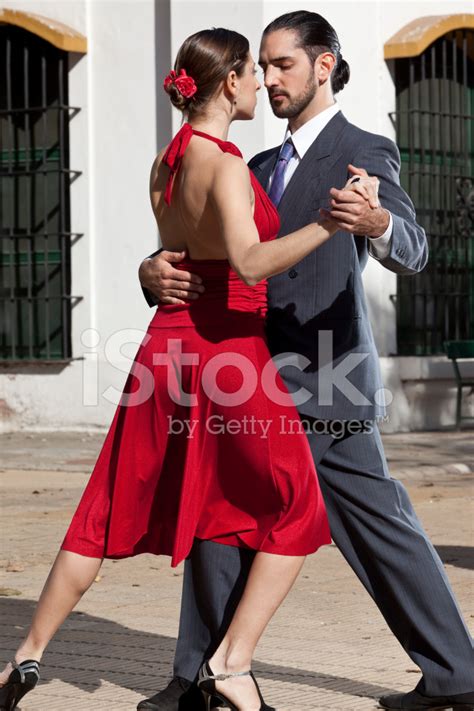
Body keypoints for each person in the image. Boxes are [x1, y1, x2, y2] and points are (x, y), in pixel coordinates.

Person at [0, 27, 381, 711]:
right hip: (230, 355)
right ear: (229, 81)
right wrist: (333, 223)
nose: (262, 83)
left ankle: (26, 653)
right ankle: (231, 662)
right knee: (298, 505)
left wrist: (151, 269)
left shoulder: (165, 163)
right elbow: (249, 263)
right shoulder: (228, 163)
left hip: (165, 350)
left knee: (107, 504)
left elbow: (175, 256)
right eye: (252, 72)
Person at [138, 11, 474, 711]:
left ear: (324, 64)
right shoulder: (252, 166)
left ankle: (456, 673)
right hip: (247, 375)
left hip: (329, 379)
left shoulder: (365, 149)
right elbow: (201, 252)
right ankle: (196, 676)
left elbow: (412, 247)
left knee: (379, 525)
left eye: (283, 64)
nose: (269, 79)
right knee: (217, 519)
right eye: (261, 67)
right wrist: (151, 271)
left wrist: (378, 222)